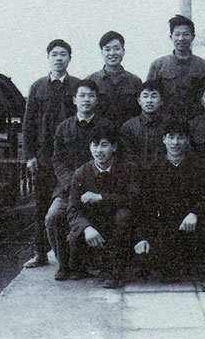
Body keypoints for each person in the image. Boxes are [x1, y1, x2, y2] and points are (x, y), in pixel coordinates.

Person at [133, 119, 205, 291]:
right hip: (167, 225)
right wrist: (143, 236)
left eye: (180, 138)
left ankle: (202, 271)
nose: (175, 142)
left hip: (194, 223)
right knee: (166, 273)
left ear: (187, 140)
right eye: (171, 137)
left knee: (204, 235)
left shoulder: (200, 167)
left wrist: (195, 213)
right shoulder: (153, 169)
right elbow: (145, 206)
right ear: (164, 139)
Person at [22, 39, 81, 269]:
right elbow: (28, 124)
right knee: (41, 205)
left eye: (63, 54)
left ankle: (72, 253)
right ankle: (40, 253)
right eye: (54, 54)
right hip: (44, 158)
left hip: (70, 158)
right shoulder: (37, 87)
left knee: (71, 203)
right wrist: (30, 156)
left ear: (69, 58)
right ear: (48, 58)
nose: (59, 58)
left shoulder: (77, 86)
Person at [47, 80, 112, 280]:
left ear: (97, 100)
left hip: (99, 187)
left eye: (91, 96)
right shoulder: (63, 128)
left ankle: (97, 262)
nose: (86, 100)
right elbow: (57, 160)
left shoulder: (106, 125)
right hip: (68, 188)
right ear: (75, 100)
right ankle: (64, 264)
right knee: (54, 216)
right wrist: (72, 183)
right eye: (82, 95)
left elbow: (113, 158)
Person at [67, 126, 136, 289]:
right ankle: (87, 265)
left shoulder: (127, 169)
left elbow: (134, 199)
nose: (98, 150)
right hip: (93, 224)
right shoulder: (81, 173)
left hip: (118, 225)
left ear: (114, 147)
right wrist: (87, 228)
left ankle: (116, 271)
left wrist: (101, 197)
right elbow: (72, 209)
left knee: (124, 216)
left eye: (104, 145)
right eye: (94, 145)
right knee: (74, 242)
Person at [147, 15, 205, 119]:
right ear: (171, 37)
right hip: (165, 122)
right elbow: (149, 96)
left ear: (193, 37)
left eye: (186, 34)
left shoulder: (204, 66)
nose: (181, 38)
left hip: (196, 121)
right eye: (177, 34)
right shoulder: (158, 65)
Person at [85, 31, 143, 127]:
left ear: (123, 51)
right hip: (100, 133)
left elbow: (140, 113)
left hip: (128, 133)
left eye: (116, 49)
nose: (112, 53)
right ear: (102, 52)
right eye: (107, 49)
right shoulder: (91, 80)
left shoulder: (135, 81)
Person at [119, 80, 168, 170]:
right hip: (136, 174)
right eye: (145, 96)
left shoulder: (168, 125)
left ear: (161, 101)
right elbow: (127, 156)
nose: (149, 100)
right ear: (139, 101)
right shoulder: (128, 127)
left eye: (154, 96)